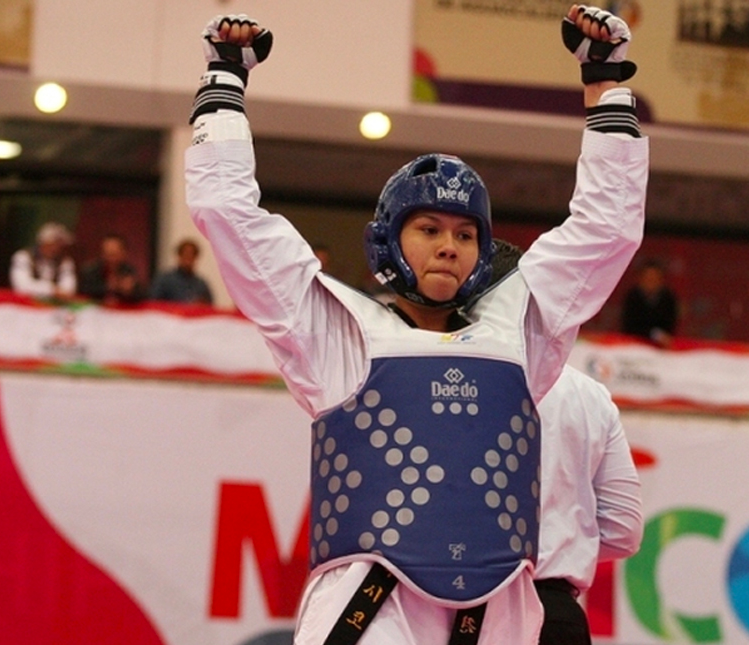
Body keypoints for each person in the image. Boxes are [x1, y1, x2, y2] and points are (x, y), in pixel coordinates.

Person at [184, 7, 647, 645]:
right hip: (373, 613)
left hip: (502, 616)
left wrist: (606, 82)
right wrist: (225, 79)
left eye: (464, 233)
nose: (448, 246)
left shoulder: (519, 334)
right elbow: (227, 212)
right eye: (428, 229)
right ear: (389, 240)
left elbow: (608, 227)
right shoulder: (337, 333)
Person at [489, 240, 644, 645]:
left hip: (474, 608)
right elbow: (625, 529)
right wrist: (564, 539)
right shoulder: (590, 395)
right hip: (558, 615)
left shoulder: (449, 383)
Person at [9, 221, 76, 299]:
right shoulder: (23, 256)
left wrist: (56, 291)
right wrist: (51, 290)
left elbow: (69, 289)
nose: (55, 248)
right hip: (26, 304)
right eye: (52, 244)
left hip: (53, 306)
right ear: (42, 242)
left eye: (59, 244)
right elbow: (21, 286)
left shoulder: (65, 261)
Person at [619, 259, 678, 347]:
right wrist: (654, 334)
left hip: (660, 347)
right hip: (635, 345)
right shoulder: (632, 297)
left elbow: (670, 324)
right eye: (648, 278)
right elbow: (630, 325)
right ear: (640, 279)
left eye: (655, 278)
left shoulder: (668, 298)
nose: (651, 281)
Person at [78, 233, 145, 305]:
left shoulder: (129, 270)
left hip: (119, 313)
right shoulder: (90, 271)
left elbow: (143, 295)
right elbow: (84, 292)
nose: (110, 259)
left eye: (114, 254)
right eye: (107, 254)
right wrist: (108, 287)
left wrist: (130, 290)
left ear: (123, 254)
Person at [149, 238, 214, 304]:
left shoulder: (201, 284)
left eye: (192, 255)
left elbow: (209, 306)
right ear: (179, 256)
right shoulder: (164, 280)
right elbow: (154, 302)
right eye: (185, 254)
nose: (188, 259)